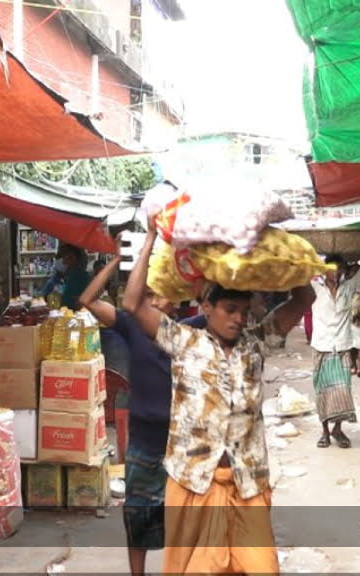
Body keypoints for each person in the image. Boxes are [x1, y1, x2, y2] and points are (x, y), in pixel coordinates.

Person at [123, 213, 314, 575]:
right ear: (206, 308)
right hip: (195, 481)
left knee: (262, 568)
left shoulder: (257, 341)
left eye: (243, 311)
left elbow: (306, 297)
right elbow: (133, 304)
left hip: (247, 482)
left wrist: (272, 249)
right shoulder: (184, 342)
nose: (239, 319)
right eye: (230, 310)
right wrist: (149, 238)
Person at [78, 246, 175, 576]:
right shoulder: (132, 327)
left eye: (162, 296)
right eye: (149, 296)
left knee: (185, 521)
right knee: (138, 517)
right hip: (143, 445)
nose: (156, 303)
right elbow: (88, 300)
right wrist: (118, 261)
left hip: (182, 445)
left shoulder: (192, 330)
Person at [310, 248, 360, 449]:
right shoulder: (315, 288)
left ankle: (337, 428)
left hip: (342, 347)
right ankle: (324, 432)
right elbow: (295, 270)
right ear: (323, 270)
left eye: (339, 270)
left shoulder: (349, 287)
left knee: (342, 390)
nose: (336, 273)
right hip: (321, 346)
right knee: (322, 391)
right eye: (331, 269)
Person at [42, 244, 90, 310]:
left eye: (62, 258)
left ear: (72, 258)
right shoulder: (64, 277)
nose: (60, 261)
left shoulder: (76, 277)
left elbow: (67, 303)